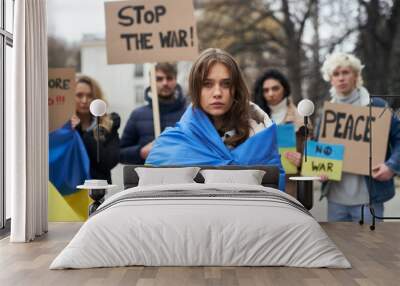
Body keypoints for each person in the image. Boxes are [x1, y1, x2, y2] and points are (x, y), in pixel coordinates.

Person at [146, 48, 285, 190]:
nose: (217, 93)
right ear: (195, 89)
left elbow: (275, 196)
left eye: (226, 84)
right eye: (207, 84)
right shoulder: (171, 143)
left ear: (236, 89)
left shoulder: (261, 137)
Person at [319, 52, 400, 222]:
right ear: (330, 79)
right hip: (335, 200)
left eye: (345, 72)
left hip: (369, 200)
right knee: (339, 249)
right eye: (336, 74)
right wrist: (318, 168)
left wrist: (391, 166)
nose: (341, 78)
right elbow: (320, 149)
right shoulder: (326, 113)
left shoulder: (378, 106)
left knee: (370, 249)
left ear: (356, 75)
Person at [119, 62, 187, 164]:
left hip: (182, 176)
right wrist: (141, 152)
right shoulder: (137, 115)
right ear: (151, 82)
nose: (165, 83)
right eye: (159, 79)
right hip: (146, 177)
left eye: (169, 78)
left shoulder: (187, 114)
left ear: (175, 80)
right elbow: (120, 154)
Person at [253, 69, 306, 197]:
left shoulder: (302, 119)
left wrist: (303, 162)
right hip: (260, 186)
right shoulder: (253, 119)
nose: (271, 93)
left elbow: (315, 158)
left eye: (275, 88)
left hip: (290, 188)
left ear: (284, 88)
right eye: (266, 90)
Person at [71, 75, 120, 184]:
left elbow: (108, 162)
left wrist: (86, 135)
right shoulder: (64, 126)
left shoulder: (108, 124)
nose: (84, 100)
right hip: (70, 190)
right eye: (79, 95)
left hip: (97, 192)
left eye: (89, 96)